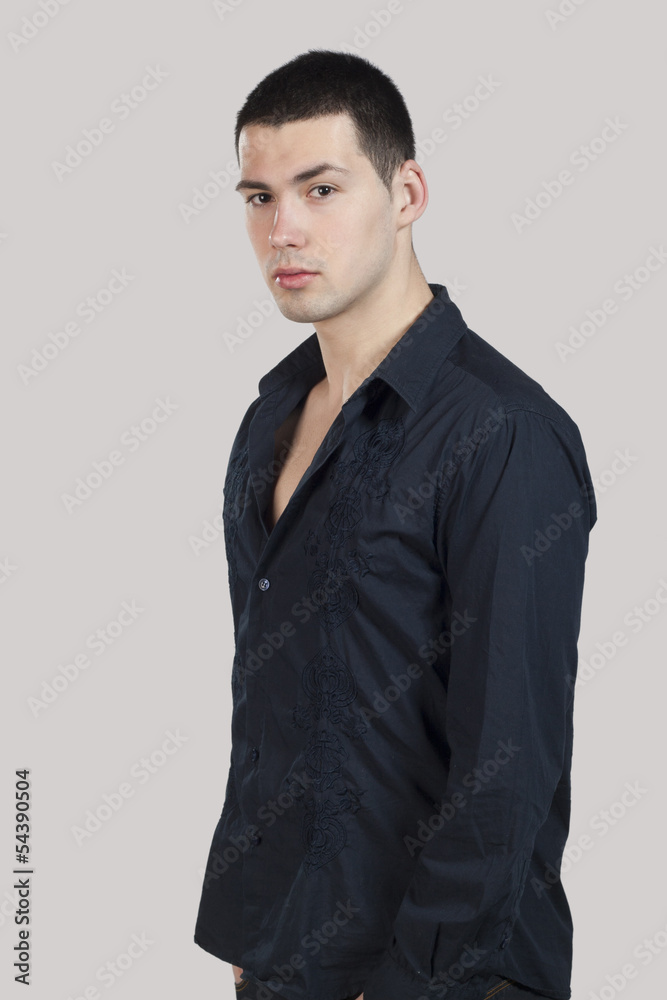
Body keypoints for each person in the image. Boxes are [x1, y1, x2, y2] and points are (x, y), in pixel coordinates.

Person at [193, 49, 597, 1000]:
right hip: (289, 955)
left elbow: (510, 759)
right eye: (258, 198)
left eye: (320, 189)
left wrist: (411, 980)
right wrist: (258, 927)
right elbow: (276, 705)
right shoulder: (270, 418)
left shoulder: (502, 432)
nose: (284, 229)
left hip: (446, 974)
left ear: (406, 193)